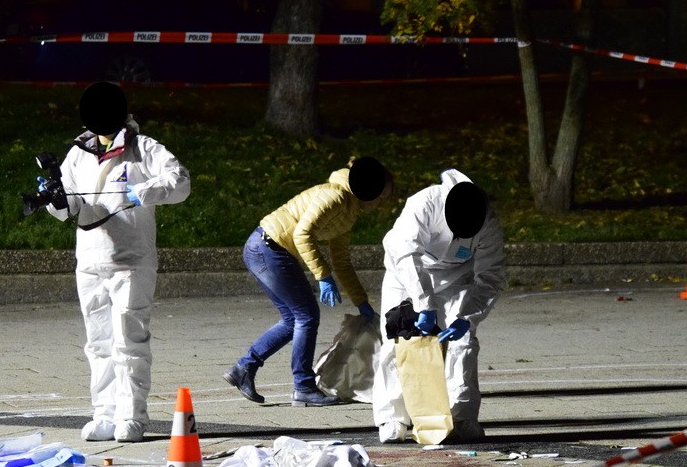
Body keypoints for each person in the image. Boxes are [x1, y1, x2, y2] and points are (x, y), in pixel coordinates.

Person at [45, 81, 191, 442]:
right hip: (91, 259)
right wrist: (54, 201)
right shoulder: (77, 153)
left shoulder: (143, 149)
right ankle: (104, 413)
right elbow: (71, 205)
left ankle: (132, 416)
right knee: (98, 342)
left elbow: (180, 181)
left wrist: (142, 192)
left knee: (129, 340)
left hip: (132, 261)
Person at [225, 157, 392, 407]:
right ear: (369, 191)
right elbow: (303, 234)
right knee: (307, 316)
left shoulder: (348, 210)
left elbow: (342, 262)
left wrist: (362, 302)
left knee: (294, 319)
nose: (381, 203)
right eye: (381, 197)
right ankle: (303, 386)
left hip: (266, 248)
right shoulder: (333, 197)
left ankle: (243, 369)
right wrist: (323, 276)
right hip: (268, 248)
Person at [373, 169, 505, 443]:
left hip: (456, 279)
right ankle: (392, 418)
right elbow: (407, 255)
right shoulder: (425, 203)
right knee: (395, 343)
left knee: (465, 343)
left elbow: (491, 277)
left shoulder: (488, 222)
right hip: (405, 274)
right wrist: (425, 305)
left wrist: (468, 318)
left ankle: (462, 416)